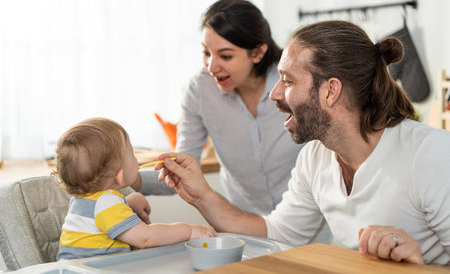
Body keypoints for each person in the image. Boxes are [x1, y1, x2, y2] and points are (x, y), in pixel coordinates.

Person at [154, 20, 450, 265]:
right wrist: (201, 195)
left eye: (288, 80)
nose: (274, 94)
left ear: (331, 91)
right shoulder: (315, 158)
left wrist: (418, 266)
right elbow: (278, 232)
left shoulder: (431, 155)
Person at [136, 0, 310, 217]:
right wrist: (129, 178)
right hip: (244, 224)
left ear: (258, 53)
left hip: (307, 224)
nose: (211, 66)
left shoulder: (296, 83)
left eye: (225, 56)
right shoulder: (200, 90)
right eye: (206, 53)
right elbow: (181, 169)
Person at [55, 118, 216, 260]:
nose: (136, 160)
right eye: (132, 154)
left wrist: (128, 203)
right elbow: (146, 238)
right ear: (120, 175)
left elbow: (103, 221)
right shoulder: (106, 202)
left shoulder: (84, 200)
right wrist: (189, 230)